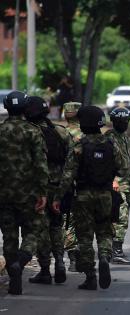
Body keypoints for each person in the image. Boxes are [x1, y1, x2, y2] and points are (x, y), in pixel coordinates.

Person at [53, 105, 129, 290]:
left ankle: (90, 276)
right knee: (104, 232)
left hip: (83, 197)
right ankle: (104, 257)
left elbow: (68, 175)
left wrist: (57, 197)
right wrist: (113, 180)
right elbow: (124, 168)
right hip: (106, 196)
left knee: (85, 237)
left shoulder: (79, 145)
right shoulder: (111, 144)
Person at [0, 91, 49, 295]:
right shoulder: (33, 131)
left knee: (9, 237)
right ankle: (20, 261)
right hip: (28, 193)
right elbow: (40, 164)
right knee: (33, 231)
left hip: (3, 194)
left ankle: (15, 281)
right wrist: (43, 192)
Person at [24, 96, 72, 285]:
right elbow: (71, 162)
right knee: (56, 227)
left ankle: (45, 270)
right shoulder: (60, 131)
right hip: (58, 189)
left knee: (41, 230)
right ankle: (60, 261)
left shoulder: (28, 133)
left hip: (37, 190)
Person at [106, 107, 130, 265]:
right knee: (119, 218)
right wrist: (111, 180)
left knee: (122, 218)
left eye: (126, 121)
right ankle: (116, 251)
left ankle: (113, 250)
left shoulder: (126, 138)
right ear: (114, 122)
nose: (124, 123)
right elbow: (107, 162)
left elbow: (129, 162)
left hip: (127, 184)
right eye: (121, 121)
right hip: (116, 185)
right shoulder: (109, 138)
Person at [61, 102, 83, 272]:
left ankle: (58, 257)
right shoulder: (85, 134)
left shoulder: (59, 133)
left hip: (61, 184)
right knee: (76, 223)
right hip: (81, 184)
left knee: (62, 221)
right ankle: (75, 259)